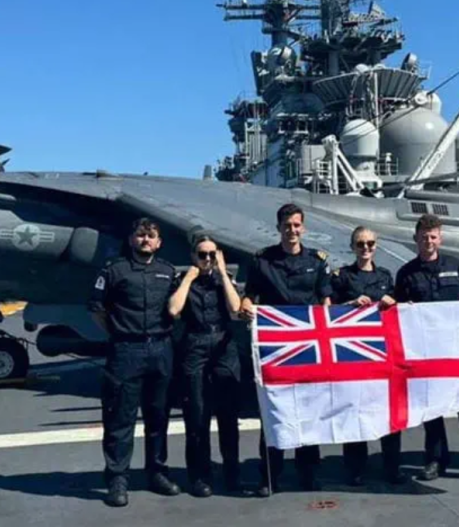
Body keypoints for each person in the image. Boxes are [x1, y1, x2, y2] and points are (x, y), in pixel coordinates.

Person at [392, 214, 459, 485]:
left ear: (440, 238)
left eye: (433, 236)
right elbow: (398, 314)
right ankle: (435, 458)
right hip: (426, 352)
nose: (428, 241)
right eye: (424, 237)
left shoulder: (456, 266)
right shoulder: (406, 274)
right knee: (432, 407)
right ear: (415, 238)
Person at [239, 203, 333, 495]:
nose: (292, 230)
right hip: (275, 348)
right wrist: (245, 304)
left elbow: (325, 300)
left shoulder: (317, 261)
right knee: (274, 409)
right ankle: (270, 474)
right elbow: (249, 295)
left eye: (296, 225)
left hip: (306, 347)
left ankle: (308, 473)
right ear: (278, 227)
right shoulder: (262, 260)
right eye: (287, 225)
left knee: (309, 410)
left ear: (302, 227)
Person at [88, 217, 182, 508]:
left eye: (151, 236)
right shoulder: (114, 271)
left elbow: (175, 309)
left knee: (158, 418)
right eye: (141, 235)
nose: (145, 240)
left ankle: (157, 472)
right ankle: (117, 479)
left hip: (160, 350)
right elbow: (96, 308)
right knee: (120, 419)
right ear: (132, 239)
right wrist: (118, 333)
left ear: (159, 242)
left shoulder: (167, 272)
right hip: (126, 351)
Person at [167, 234, 244, 497]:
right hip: (195, 344)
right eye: (202, 255)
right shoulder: (183, 281)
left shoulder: (225, 280)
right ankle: (200, 476)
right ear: (193, 257)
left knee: (228, 415)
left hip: (224, 344)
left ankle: (232, 473)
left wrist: (223, 274)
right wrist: (188, 278)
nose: (207, 259)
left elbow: (235, 309)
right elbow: (174, 310)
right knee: (197, 415)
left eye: (212, 254)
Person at [330, 225, 406, 486]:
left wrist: (391, 303)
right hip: (354, 355)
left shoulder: (386, 276)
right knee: (355, 411)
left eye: (370, 244)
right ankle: (355, 468)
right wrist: (350, 306)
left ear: (376, 246)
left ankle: (392, 466)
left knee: (389, 412)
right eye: (360, 244)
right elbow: (327, 314)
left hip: (383, 354)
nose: (366, 249)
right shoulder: (341, 277)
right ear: (352, 247)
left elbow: (398, 312)